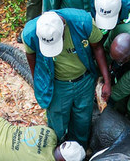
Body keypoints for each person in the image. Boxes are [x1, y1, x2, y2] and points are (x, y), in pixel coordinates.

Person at [22, 9, 111, 145]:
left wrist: (107, 80)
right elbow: (31, 55)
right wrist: (38, 82)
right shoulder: (30, 33)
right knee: (56, 122)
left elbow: (98, 47)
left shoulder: (82, 23)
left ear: (63, 28)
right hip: (57, 84)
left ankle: (79, 149)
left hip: (84, 80)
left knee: (82, 120)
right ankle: (56, 151)